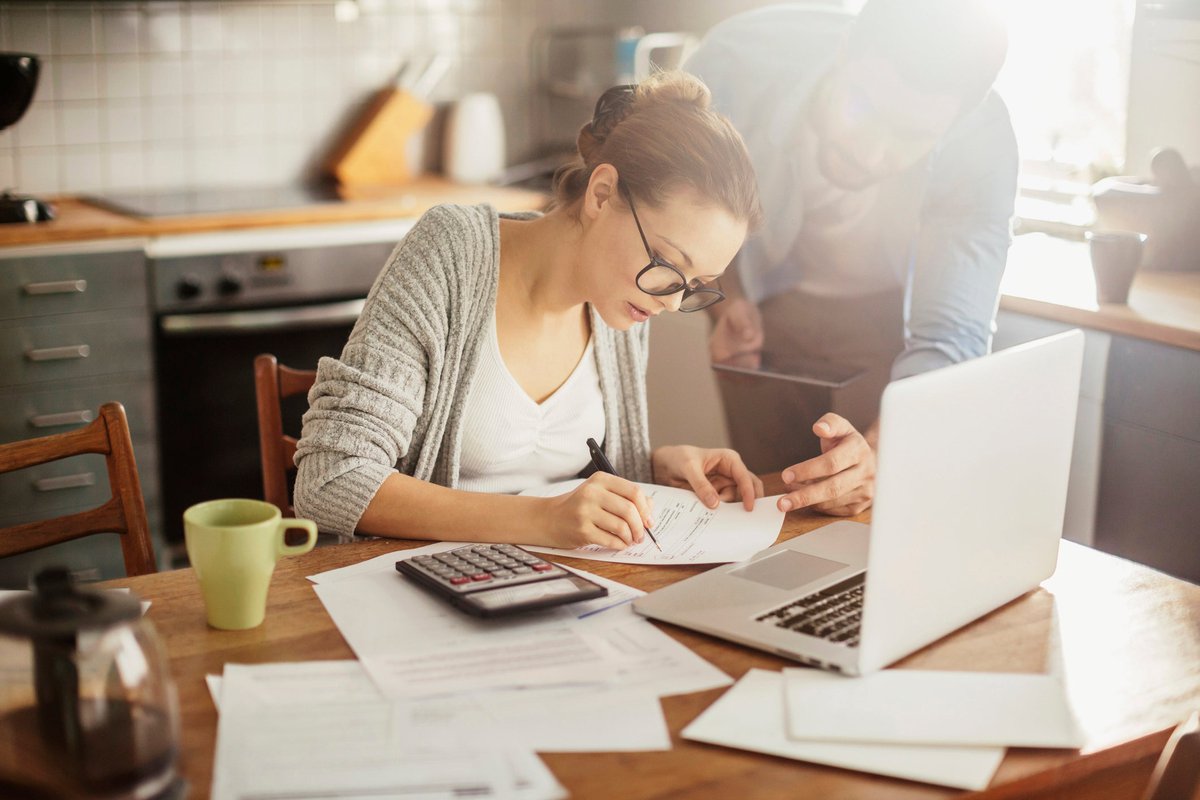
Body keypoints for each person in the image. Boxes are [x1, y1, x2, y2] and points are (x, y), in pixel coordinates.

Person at [294, 71, 764, 549]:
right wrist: (539, 520)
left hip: (557, 592)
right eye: (667, 264)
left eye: (697, 285)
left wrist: (657, 465)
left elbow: (572, 474)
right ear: (602, 194)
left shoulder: (626, 301)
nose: (671, 301)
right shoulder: (452, 253)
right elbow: (332, 479)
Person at [684, 0, 1018, 518]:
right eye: (864, 108)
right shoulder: (734, 65)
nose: (870, 152)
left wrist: (884, 456)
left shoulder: (981, 143)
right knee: (766, 508)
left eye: (910, 137)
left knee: (871, 508)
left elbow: (948, 337)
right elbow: (673, 208)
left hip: (890, 326)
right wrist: (724, 300)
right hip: (766, 303)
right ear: (844, 53)